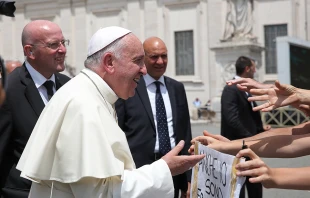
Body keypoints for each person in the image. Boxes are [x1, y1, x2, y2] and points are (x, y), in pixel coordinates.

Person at [16, 26, 205, 198]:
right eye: (138, 61)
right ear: (109, 62)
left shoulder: (92, 94)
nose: (144, 70)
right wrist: (164, 170)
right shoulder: (83, 106)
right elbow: (101, 194)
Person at [0, 20, 71, 198]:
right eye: (54, 44)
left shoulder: (69, 86)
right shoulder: (8, 91)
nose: (62, 50)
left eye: (63, 42)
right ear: (29, 51)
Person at [115, 36, 192, 198]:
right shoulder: (129, 88)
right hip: (140, 172)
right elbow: (118, 131)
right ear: (143, 58)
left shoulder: (177, 88)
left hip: (173, 171)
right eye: (154, 57)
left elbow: (185, 133)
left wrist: (188, 179)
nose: (160, 61)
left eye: (164, 56)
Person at [221, 56, 267, 198]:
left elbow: (249, 115)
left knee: (255, 185)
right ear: (247, 69)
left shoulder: (245, 89)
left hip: (249, 147)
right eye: (253, 68)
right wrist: (251, 137)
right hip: (238, 147)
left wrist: (261, 130)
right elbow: (232, 119)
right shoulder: (231, 89)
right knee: (238, 188)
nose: (255, 71)